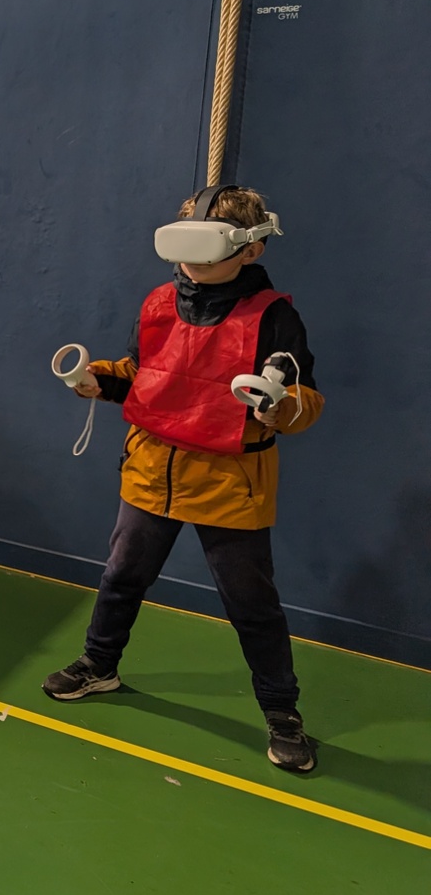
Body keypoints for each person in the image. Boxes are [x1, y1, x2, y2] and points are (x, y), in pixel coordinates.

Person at [43, 185, 323, 772]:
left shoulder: (273, 317)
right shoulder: (158, 303)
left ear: (250, 249)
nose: (189, 262)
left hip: (230, 483)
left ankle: (282, 712)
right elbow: (143, 373)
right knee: (121, 577)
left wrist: (280, 409)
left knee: (252, 605)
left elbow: (303, 399)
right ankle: (100, 665)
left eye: (205, 248)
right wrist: (97, 379)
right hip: (151, 469)